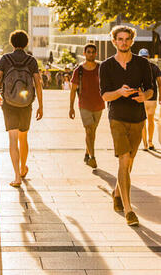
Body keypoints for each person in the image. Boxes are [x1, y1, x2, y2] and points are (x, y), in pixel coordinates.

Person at [100, 25, 153, 226]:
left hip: (138, 118)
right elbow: (105, 95)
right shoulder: (106, 66)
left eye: (127, 39)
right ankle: (129, 210)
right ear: (113, 41)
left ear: (132, 41)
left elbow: (150, 89)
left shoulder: (142, 64)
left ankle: (116, 192)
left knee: (129, 161)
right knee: (123, 160)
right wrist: (119, 93)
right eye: (119, 39)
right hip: (117, 117)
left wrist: (143, 96)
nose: (123, 42)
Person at [0, 30, 43, 188]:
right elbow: (38, 84)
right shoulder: (31, 60)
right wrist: (40, 105)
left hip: (9, 103)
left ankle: (16, 177)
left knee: (13, 139)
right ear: (26, 43)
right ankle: (23, 168)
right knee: (24, 137)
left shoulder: (5, 59)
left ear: (12, 43)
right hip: (26, 103)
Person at [69, 43, 104, 169]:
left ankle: (87, 151)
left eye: (93, 52)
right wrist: (71, 107)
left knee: (92, 132)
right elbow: (73, 90)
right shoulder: (79, 71)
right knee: (89, 130)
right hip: (84, 105)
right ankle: (92, 157)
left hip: (99, 105)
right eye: (88, 52)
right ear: (84, 53)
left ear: (96, 54)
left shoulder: (101, 69)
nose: (91, 54)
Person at [138, 48, 161, 151]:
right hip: (152, 97)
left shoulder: (136, 68)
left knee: (143, 120)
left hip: (142, 96)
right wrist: (160, 95)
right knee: (150, 119)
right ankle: (150, 142)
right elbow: (160, 83)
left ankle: (145, 144)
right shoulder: (155, 67)